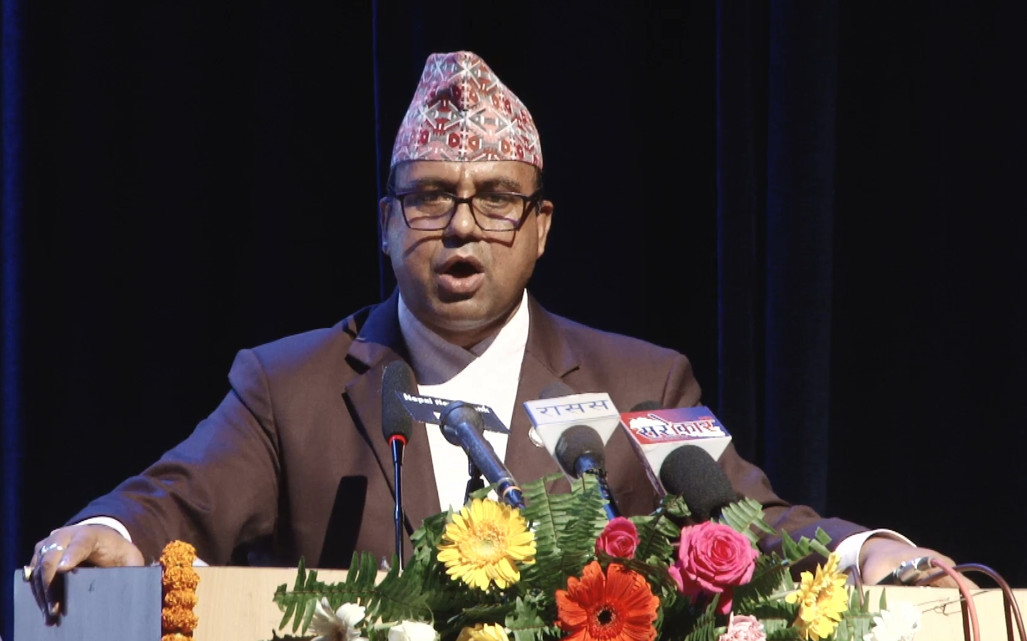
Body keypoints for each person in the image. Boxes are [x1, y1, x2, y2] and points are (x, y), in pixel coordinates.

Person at [25, 50, 965, 619]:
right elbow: (177, 497)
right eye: (431, 197)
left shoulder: (639, 382)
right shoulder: (291, 386)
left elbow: (750, 522)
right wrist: (109, 530)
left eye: (497, 199)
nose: (462, 226)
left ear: (541, 226)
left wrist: (872, 553)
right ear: (386, 223)